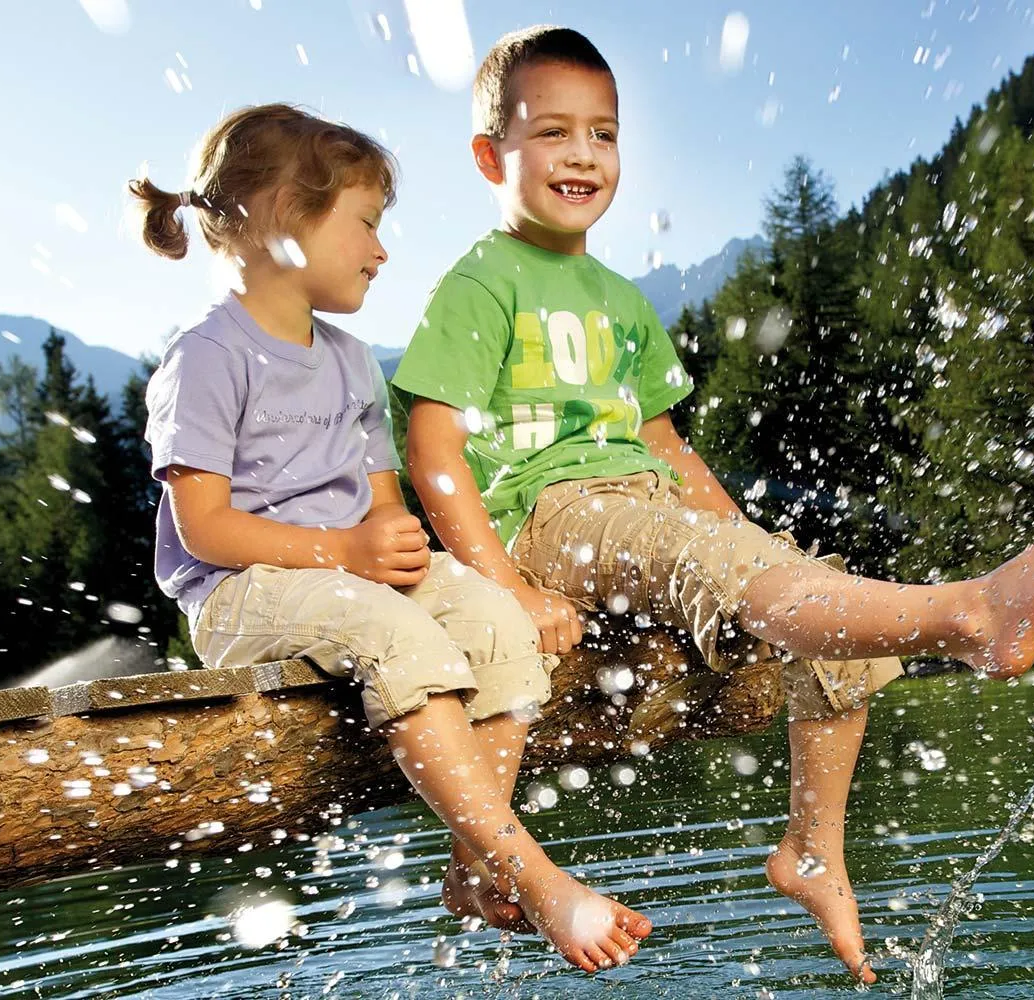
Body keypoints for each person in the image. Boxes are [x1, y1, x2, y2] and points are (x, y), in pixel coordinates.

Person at [394, 27, 1034, 985]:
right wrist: (502, 590)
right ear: (492, 156)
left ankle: (814, 848)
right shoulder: (479, 284)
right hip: (552, 516)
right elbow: (432, 450)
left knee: (813, 592)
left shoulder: (620, 298)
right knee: (736, 569)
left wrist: (750, 546)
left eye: (604, 134)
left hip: (644, 503)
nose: (583, 154)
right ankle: (967, 612)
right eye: (552, 133)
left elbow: (666, 448)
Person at [133, 102, 651, 975]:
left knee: (495, 621)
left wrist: (391, 545)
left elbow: (382, 509)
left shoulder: (352, 359)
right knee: (399, 634)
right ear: (281, 218)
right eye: (366, 224)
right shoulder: (209, 357)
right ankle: (531, 874)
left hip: (352, 579)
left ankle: (474, 866)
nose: (381, 250)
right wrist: (349, 555)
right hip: (240, 593)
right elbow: (205, 528)